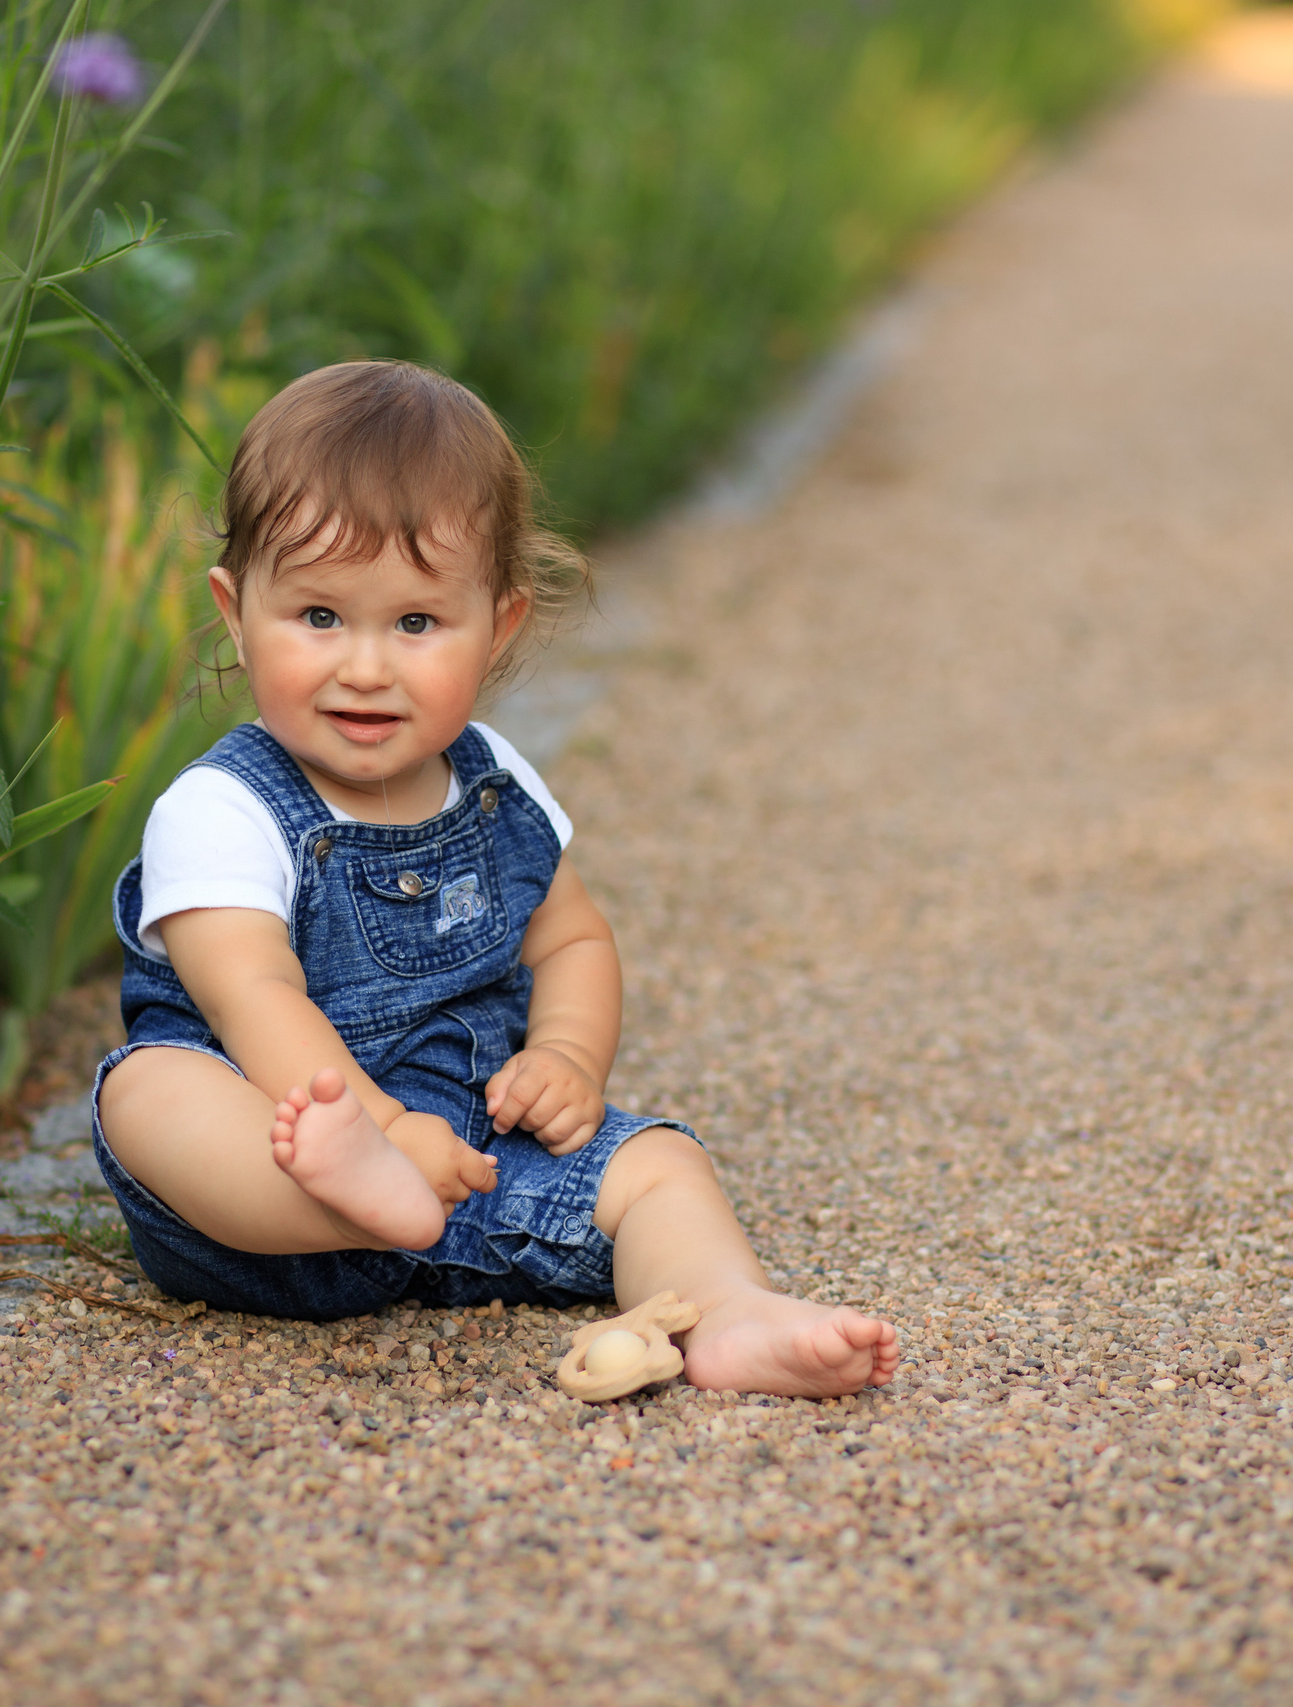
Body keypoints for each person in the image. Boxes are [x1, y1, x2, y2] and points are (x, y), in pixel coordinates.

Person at [92, 361, 898, 1397]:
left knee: (660, 1163)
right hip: (269, 1196)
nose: (366, 666)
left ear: (498, 626)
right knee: (149, 1090)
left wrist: (567, 1054)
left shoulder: (493, 784)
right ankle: (353, 1188)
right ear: (236, 610)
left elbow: (571, 939)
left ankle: (724, 1314)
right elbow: (253, 1000)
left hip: (466, 1172)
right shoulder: (223, 811)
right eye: (320, 617)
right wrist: (374, 1139)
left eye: (416, 623)